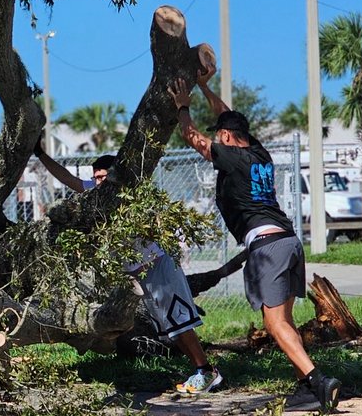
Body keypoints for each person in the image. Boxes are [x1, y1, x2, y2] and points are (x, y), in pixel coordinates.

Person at [168, 67, 340, 412]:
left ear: (227, 140)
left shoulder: (229, 154)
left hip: (267, 247)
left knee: (273, 323)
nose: (217, 142)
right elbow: (228, 117)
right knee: (284, 321)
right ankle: (304, 387)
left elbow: (194, 138)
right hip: (289, 241)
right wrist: (205, 86)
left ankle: (319, 381)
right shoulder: (260, 153)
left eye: (220, 138)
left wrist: (183, 106)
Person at [33, 144, 222, 395]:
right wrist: (41, 155)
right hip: (137, 274)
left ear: (114, 176)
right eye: (96, 177)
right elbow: (68, 179)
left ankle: (207, 372)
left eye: (104, 176)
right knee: (169, 328)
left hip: (157, 266)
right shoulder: (94, 197)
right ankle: (200, 371)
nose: (99, 182)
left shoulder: (129, 196)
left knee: (179, 322)